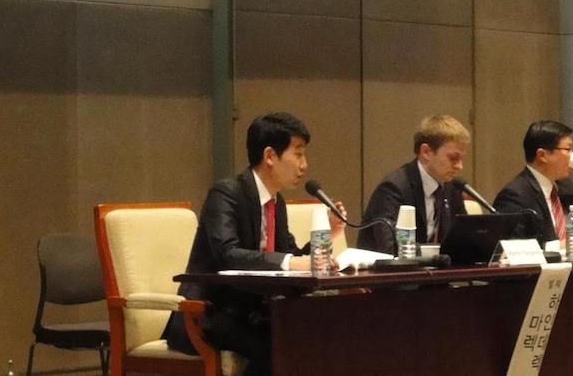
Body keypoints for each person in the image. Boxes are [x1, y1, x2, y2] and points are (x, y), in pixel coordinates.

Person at [163, 112, 346, 376]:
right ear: (270, 156)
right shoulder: (226, 194)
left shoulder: (275, 202)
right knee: (279, 346)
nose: (304, 165)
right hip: (210, 313)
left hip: (254, 312)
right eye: (298, 154)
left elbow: (289, 256)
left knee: (316, 336)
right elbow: (227, 254)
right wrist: (294, 262)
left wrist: (327, 235)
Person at [356, 115, 470, 254]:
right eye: (453, 158)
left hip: (433, 267)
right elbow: (390, 248)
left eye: (461, 159)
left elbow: (464, 240)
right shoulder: (393, 189)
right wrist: (435, 252)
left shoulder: (451, 188)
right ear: (426, 152)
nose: (459, 166)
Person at [493, 120, 573, 244]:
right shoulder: (515, 195)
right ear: (542, 155)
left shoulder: (565, 186)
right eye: (568, 149)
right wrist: (556, 247)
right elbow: (512, 246)